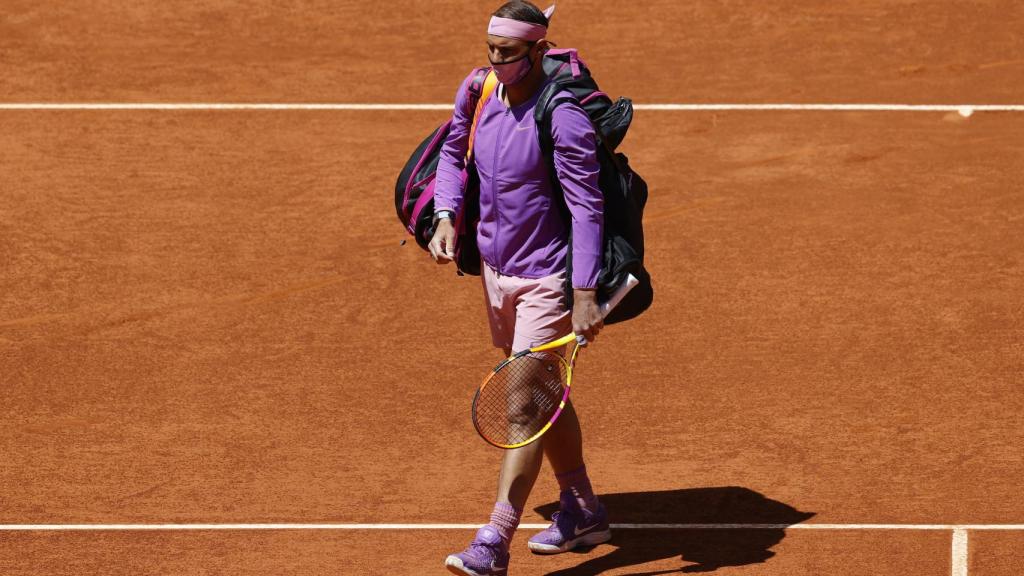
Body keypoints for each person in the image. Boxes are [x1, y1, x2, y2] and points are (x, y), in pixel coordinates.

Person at [428, 2, 610, 575]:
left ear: (538, 48)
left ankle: (494, 539)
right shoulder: (479, 89)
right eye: (491, 50)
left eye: (508, 53)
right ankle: (582, 508)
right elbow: (453, 153)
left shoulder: (563, 115)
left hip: (547, 278)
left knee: (521, 406)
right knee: (541, 391)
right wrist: (444, 214)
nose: (496, 61)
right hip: (495, 270)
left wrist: (583, 291)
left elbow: (587, 207)